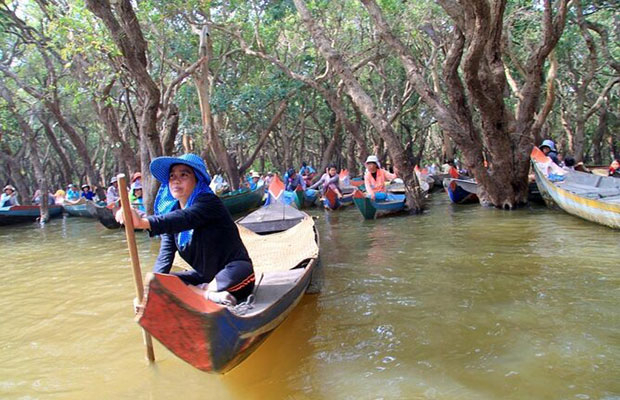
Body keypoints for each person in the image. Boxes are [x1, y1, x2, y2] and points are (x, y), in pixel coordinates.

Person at [116, 154, 255, 306]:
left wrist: (142, 222)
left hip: (234, 274)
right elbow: (165, 257)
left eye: (184, 175)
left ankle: (203, 293)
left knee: (239, 271)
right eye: (172, 176)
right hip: (204, 278)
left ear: (197, 179)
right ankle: (208, 295)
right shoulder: (171, 215)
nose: (176, 180)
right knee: (160, 282)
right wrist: (150, 292)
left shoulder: (208, 202)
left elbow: (186, 218)